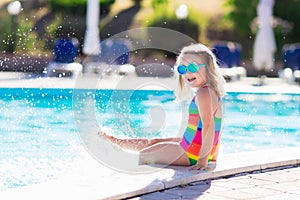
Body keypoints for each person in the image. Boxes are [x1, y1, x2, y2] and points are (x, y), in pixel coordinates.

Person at [98, 43, 226, 170]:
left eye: (192, 67)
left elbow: (209, 126)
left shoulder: (204, 93)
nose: (187, 73)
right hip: (191, 146)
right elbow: (217, 129)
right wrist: (213, 155)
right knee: (154, 142)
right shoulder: (211, 91)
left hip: (191, 153)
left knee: (142, 156)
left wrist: (203, 161)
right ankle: (116, 142)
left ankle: (112, 153)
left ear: (208, 67)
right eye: (183, 69)